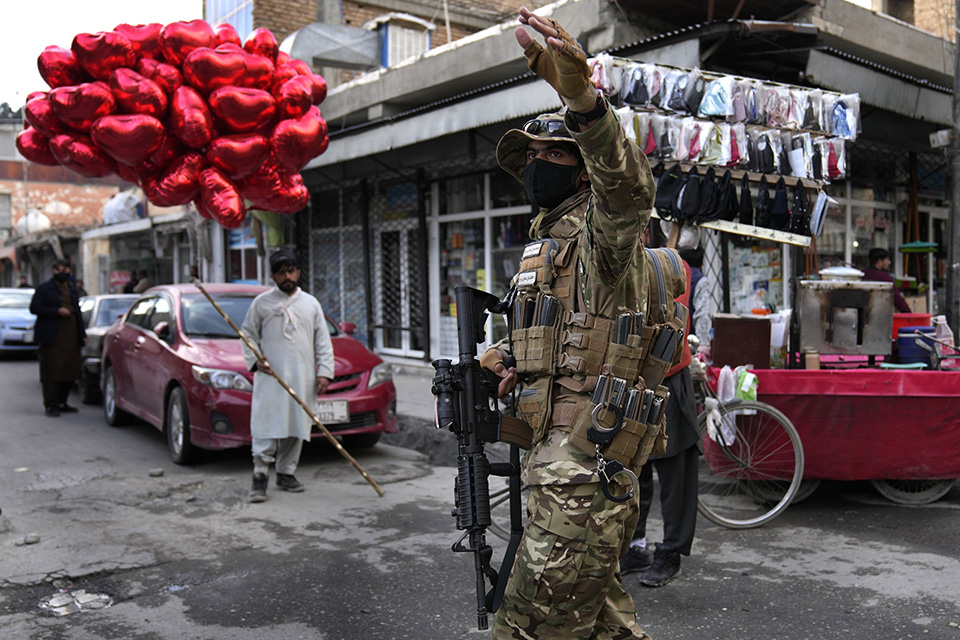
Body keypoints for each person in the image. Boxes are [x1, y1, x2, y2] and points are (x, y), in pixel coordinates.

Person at [482, 8, 655, 639]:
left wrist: (581, 99)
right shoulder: (547, 244)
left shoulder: (604, 233)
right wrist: (507, 356)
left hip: (582, 470)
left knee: (529, 628)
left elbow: (630, 189)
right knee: (606, 621)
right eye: (529, 156)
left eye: (550, 153)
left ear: (582, 166)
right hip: (555, 466)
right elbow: (559, 334)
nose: (534, 166)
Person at [619, 257, 700, 588]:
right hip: (628, 380)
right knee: (633, 471)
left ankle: (670, 552)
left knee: (673, 473)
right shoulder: (612, 264)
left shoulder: (666, 264)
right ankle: (635, 547)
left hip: (668, 376)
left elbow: (671, 325)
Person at [240, 249, 335, 503]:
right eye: (281, 272)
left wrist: (325, 372)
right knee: (266, 424)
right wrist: (256, 359)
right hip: (271, 377)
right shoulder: (261, 303)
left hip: (302, 376)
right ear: (273, 275)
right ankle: (260, 475)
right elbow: (247, 334)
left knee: (297, 424)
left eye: (291, 270)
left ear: (299, 272)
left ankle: (286, 472)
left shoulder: (311, 303)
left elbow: (323, 341)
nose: (287, 276)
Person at [29, 259, 86, 417]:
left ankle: (62, 401)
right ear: (54, 271)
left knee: (70, 370)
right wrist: (57, 311)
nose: (62, 273)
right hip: (52, 335)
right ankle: (51, 404)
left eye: (65, 269)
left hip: (71, 335)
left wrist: (82, 335)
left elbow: (78, 313)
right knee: (52, 372)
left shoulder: (72, 288)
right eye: (59, 270)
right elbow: (35, 308)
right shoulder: (45, 289)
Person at [678, 247, 715, 351]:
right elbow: (701, 313)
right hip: (691, 340)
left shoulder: (677, 277)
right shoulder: (701, 281)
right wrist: (703, 343)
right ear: (702, 263)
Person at [862, 248, 911, 313]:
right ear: (879, 262)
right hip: (879, 314)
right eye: (887, 260)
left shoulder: (862, 274)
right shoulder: (883, 276)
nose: (889, 262)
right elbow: (896, 297)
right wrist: (908, 313)